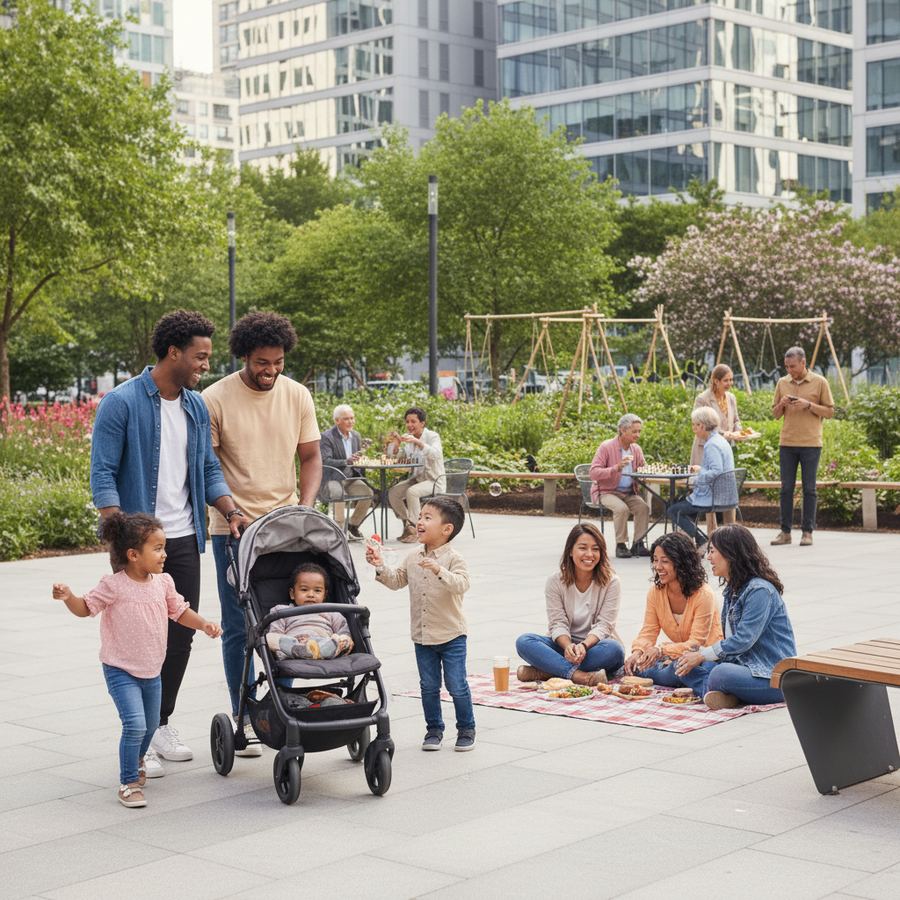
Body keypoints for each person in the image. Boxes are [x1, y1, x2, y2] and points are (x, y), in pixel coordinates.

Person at [90, 310, 245, 778]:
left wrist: (230, 509)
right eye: (200, 357)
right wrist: (124, 539)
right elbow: (102, 474)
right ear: (173, 352)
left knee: (179, 636)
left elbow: (206, 470)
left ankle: (160, 723)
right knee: (138, 638)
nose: (205, 365)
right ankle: (138, 737)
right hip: (139, 543)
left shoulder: (196, 407)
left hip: (183, 538)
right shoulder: (121, 403)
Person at [202, 311, 322, 754]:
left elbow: (310, 457)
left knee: (287, 614)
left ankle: (286, 700)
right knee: (239, 627)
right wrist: (231, 510)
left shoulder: (297, 395)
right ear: (244, 356)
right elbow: (207, 465)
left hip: (286, 527)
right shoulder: (214, 398)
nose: (271, 371)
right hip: (232, 528)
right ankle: (241, 712)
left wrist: (305, 509)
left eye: (278, 362)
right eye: (261, 363)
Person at [51, 513, 221, 808]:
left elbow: (179, 611)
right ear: (132, 555)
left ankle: (138, 757)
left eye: (164, 547)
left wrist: (204, 624)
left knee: (151, 724)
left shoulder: (163, 582)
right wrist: (68, 597)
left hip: (152, 669)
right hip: (119, 668)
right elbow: (85, 608)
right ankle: (128, 782)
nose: (164, 554)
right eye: (157, 548)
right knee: (134, 724)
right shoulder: (113, 585)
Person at [365, 497, 476, 752]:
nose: (420, 521)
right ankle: (434, 730)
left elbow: (462, 584)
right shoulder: (413, 556)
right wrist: (380, 565)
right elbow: (396, 581)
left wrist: (438, 569)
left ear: (446, 529)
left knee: (457, 685)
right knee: (428, 686)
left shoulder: (454, 558)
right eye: (420, 516)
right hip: (422, 635)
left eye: (428, 517)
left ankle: (466, 728)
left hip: (451, 635)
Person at [673, 523, 797, 709]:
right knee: (683, 665)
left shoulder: (759, 591)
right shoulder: (733, 590)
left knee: (720, 673)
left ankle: (722, 693)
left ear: (731, 553)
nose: (708, 557)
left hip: (773, 677)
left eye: (712, 551)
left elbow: (743, 640)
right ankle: (726, 695)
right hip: (745, 667)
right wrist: (696, 656)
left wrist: (702, 655)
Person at [515, 523, 625, 686]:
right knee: (524, 641)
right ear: (570, 551)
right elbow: (557, 623)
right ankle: (581, 676)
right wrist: (568, 646)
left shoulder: (612, 582)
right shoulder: (555, 581)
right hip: (563, 647)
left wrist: (584, 646)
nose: (589, 554)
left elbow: (605, 625)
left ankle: (546, 672)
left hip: (595, 647)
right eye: (583, 548)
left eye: (595, 549)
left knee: (615, 650)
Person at [623, 532, 722, 687]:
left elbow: (696, 644)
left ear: (682, 563)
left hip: (704, 658)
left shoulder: (704, 595)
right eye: (655, 560)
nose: (658, 567)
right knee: (638, 666)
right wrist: (638, 653)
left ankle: (707, 685)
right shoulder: (656, 592)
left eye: (665, 561)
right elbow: (649, 631)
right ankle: (696, 682)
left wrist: (661, 651)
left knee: (691, 669)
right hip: (677, 657)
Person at [770, 346, 835, 547]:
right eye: (787, 366)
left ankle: (807, 532)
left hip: (811, 444)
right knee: (786, 489)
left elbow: (830, 412)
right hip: (787, 443)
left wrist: (808, 405)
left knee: (809, 489)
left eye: (793, 366)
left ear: (803, 363)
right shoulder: (782, 382)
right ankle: (785, 532)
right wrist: (781, 404)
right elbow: (775, 415)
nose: (789, 370)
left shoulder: (820, 382)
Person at [668, 406, 736, 550]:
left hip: (713, 496)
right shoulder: (721, 440)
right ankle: (689, 544)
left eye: (694, 424)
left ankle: (702, 541)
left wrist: (697, 477)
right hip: (724, 494)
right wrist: (701, 470)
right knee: (682, 504)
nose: (693, 428)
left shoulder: (711, 445)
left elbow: (716, 471)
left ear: (702, 426)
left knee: (673, 510)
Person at [589, 413, 651, 559]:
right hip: (606, 491)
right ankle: (621, 545)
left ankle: (638, 544)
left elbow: (643, 468)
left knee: (643, 508)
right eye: (634, 431)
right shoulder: (606, 447)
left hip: (628, 492)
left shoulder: (636, 449)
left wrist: (644, 471)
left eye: (639, 431)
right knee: (621, 509)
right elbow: (593, 472)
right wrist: (615, 468)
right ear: (623, 430)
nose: (638, 435)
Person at [265, 562, 354, 660]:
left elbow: (344, 631)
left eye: (317, 591)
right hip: (293, 645)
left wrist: (342, 640)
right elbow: (276, 632)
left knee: (343, 638)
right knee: (269, 638)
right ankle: (300, 650)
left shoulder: (332, 612)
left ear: (324, 595)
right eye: (304, 590)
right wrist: (292, 642)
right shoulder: (281, 611)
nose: (311, 594)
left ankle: (322, 650)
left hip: (323, 643)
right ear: (292, 593)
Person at [386, 407, 445, 544]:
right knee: (393, 492)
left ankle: (416, 529)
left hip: (434, 480)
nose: (409, 425)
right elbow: (397, 458)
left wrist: (417, 442)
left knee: (412, 492)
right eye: (407, 421)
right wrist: (396, 444)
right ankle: (409, 525)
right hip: (417, 479)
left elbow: (436, 454)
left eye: (413, 421)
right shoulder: (408, 439)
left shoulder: (432, 436)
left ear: (422, 423)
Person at [319, 404, 374, 541]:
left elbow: (355, 460)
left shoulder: (356, 436)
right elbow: (325, 461)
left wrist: (361, 461)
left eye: (352, 418)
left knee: (368, 494)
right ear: (337, 421)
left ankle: (352, 526)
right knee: (339, 494)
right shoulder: (326, 437)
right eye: (346, 419)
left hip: (350, 477)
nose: (351, 422)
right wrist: (346, 461)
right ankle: (339, 531)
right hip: (333, 478)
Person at [690, 364, 750, 469]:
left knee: (722, 480)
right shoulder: (703, 399)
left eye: (731, 380)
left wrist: (739, 433)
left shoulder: (731, 398)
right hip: (705, 447)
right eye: (726, 380)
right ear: (716, 381)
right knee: (705, 479)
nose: (730, 383)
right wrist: (725, 434)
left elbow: (736, 420)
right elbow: (699, 425)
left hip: (724, 448)